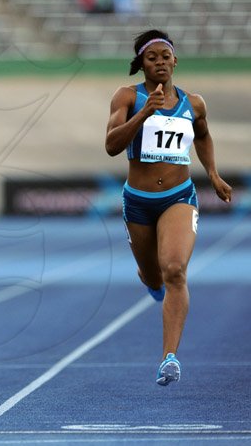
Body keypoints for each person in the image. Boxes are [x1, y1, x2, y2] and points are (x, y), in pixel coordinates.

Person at [105, 29, 232, 386]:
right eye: (152, 58)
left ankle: (169, 358)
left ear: (175, 61)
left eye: (165, 56)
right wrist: (144, 113)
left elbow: (203, 135)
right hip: (138, 202)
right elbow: (112, 145)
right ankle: (150, 281)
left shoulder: (194, 103)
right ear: (142, 64)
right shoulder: (128, 96)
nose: (159, 62)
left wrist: (213, 174)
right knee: (153, 275)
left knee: (175, 270)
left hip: (179, 196)